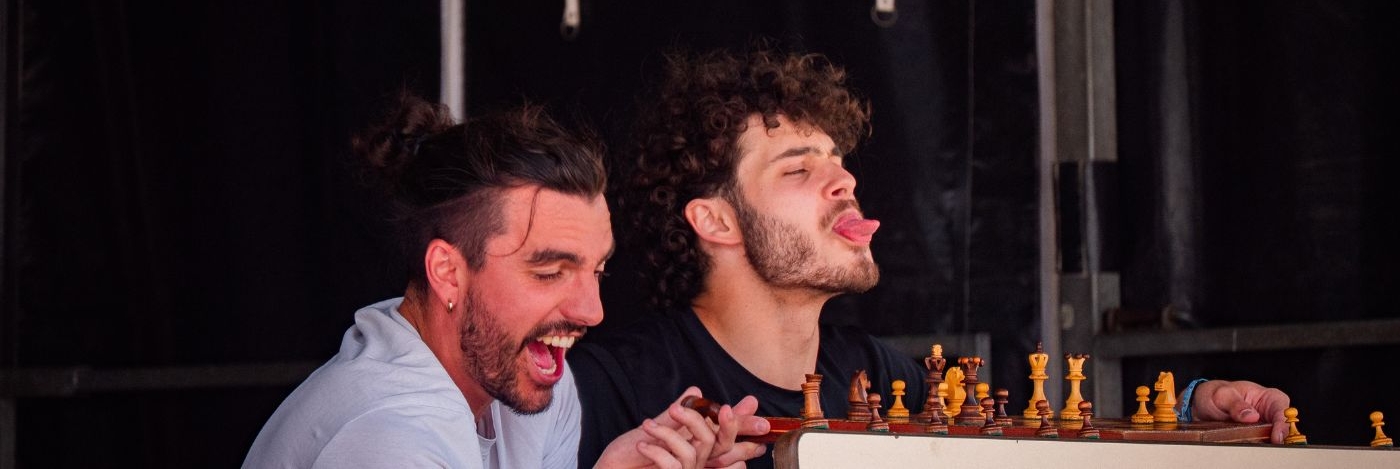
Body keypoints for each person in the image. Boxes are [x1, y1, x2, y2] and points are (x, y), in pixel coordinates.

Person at [568, 46, 1294, 468]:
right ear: (715, 219)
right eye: (798, 168)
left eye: (839, 159)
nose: (844, 180)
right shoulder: (610, 387)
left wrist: (1199, 403)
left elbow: (1054, 433)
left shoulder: (888, 378)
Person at [243, 96, 767, 468]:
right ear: (447, 273)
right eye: (549, 272)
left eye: (597, 271)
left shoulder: (531, 386)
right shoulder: (391, 439)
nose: (592, 311)